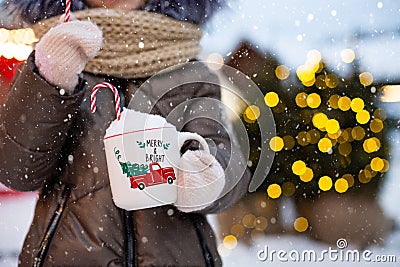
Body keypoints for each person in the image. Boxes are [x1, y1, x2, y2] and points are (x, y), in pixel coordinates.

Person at [0, 0, 251, 266]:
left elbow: (228, 160)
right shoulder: (54, 56)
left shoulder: (189, 73)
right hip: (69, 256)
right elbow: (17, 171)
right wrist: (50, 80)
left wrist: (207, 176)